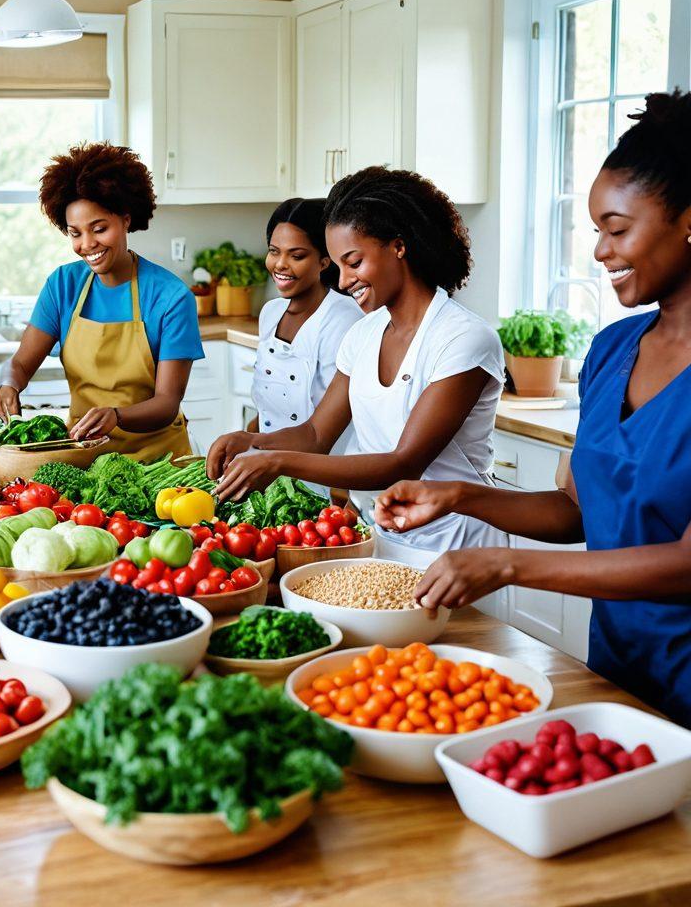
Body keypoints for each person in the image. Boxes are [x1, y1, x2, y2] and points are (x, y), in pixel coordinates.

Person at [375, 90, 691, 724]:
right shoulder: (612, 351)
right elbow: (578, 512)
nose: (600, 252)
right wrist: (459, 497)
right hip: (618, 673)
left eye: (618, 230)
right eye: (596, 231)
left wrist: (508, 564)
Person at [208, 166, 506, 566]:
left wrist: (275, 460)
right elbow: (316, 433)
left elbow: (404, 463)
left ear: (399, 246)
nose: (344, 280)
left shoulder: (463, 338)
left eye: (354, 262)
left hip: (459, 545)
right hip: (382, 535)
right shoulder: (364, 335)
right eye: (338, 265)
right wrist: (253, 443)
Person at [0, 142, 203, 459]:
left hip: (159, 462)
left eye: (99, 229)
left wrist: (117, 416)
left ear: (126, 220)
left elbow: (167, 402)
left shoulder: (170, 297)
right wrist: (9, 385)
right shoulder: (63, 285)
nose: (87, 244)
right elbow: (20, 363)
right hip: (82, 454)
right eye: (75, 233)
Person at [251, 197, 362, 492]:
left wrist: (251, 444)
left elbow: (322, 431)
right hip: (267, 471)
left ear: (324, 260)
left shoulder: (343, 319)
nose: (280, 264)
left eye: (296, 255)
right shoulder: (271, 313)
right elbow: (270, 410)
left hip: (323, 483)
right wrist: (243, 443)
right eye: (274, 252)